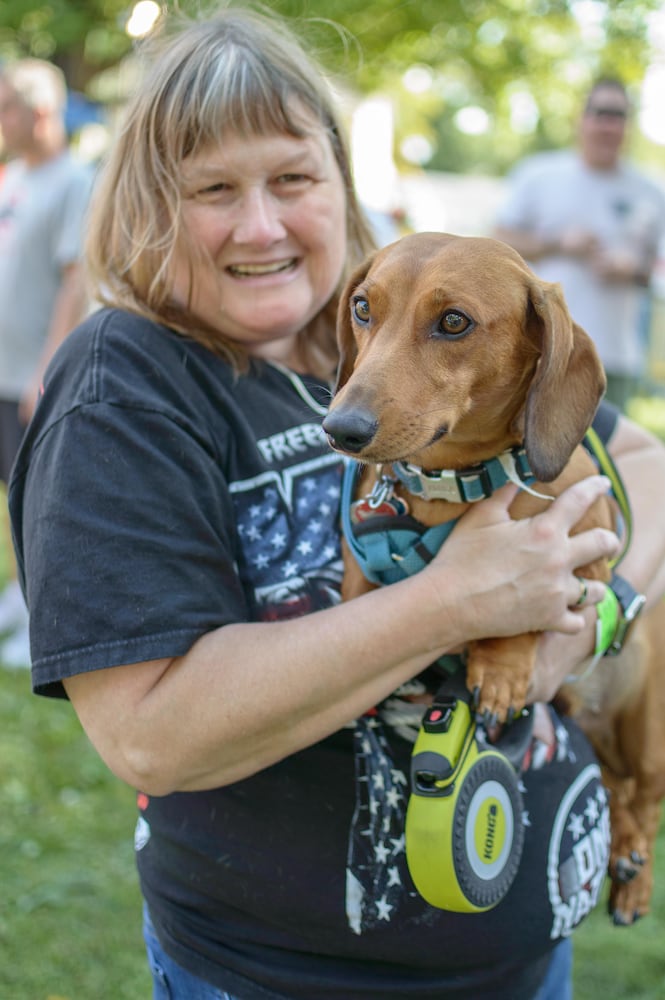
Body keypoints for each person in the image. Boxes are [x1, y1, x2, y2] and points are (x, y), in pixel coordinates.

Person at [7, 10, 665, 999]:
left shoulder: (375, 314)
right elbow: (151, 733)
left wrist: (576, 625)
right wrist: (461, 600)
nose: (261, 224)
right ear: (151, 203)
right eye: (213, 189)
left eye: (293, 178)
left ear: (338, 182)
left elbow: (644, 470)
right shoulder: (124, 384)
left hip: (523, 953)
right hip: (284, 977)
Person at [494, 77, 665, 413]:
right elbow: (498, 240)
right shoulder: (539, 175)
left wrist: (633, 268)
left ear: (628, 125)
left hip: (616, 356)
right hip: (545, 347)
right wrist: (557, 243)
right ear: (582, 118)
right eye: (600, 113)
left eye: (618, 115)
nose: (608, 125)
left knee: (606, 458)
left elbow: (658, 270)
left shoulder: (650, 191)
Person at [0, 57, 92, 668]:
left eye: (4, 106)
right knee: (12, 495)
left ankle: (42, 613)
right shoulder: (12, 178)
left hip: (28, 376)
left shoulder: (75, 182)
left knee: (41, 499)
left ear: (38, 112)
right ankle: (17, 590)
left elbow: (75, 279)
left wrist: (46, 369)